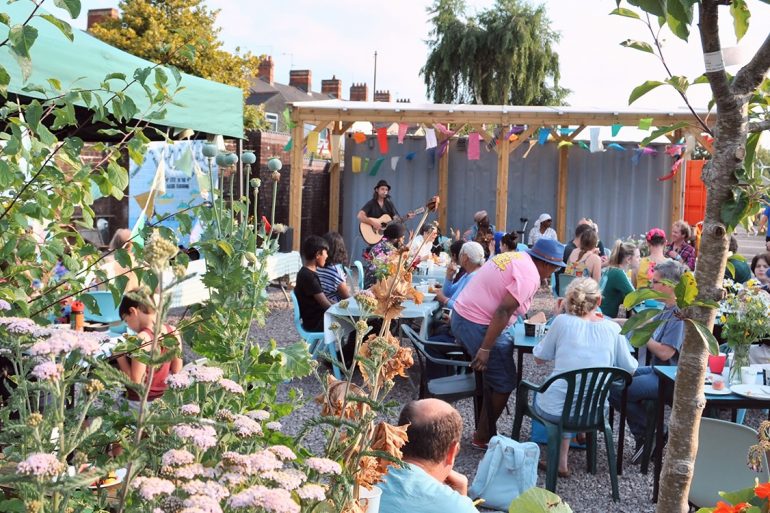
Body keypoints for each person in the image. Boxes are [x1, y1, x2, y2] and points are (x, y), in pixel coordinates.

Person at [451, 238, 566, 448]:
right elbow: (503, 310)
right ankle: (483, 436)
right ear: (547, 264)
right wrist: (485, 348)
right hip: (475, 323)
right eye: (555, 268)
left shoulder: (518, 257)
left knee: (499, 372)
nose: (554, 272)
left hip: (465, 315)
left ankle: (484, 429)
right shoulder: (530, 275)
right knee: (505, 382)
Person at [533, 278, 637, 477]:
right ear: (599, 301)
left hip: (556, 409)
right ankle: (577, 437)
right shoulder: (613, 329)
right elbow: (630, 369)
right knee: (577, 391)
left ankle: (562, 460)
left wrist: (557, 319)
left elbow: (539, 358)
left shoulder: (562, 322)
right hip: (595, 411)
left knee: (559, 392)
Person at [610, 259, 687, 463]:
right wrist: (608, 321)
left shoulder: (679, 314)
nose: (650, 286)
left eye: (655, 282)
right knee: (614, 380)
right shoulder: (666, 307)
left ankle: (651, 432)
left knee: (616, 389)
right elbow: (640, 323)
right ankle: (650, 433)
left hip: (669, 377)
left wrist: (641, 335)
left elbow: (665, 353)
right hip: (657, 371)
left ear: (669, 286)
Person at [378, 399, 477, 513]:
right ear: (452, 452)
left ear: (397, 437)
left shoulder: (361, 476)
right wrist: (460, 501)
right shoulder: (458, 507)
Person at [117, 294, 183, 406]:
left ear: (133, 311)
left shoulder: (141, 339)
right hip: (164, 400)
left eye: (126, 320)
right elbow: (177, 370)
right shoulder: (173, 331)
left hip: (139, 403)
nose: (129, 326)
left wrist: (120, 357)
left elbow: (136, 382)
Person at [295, 235, 332, 332]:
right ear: (318, 254)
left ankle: (348, 347)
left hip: (317, 320)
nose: (327, 256)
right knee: (356, 321)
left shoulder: (307, 273)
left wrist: (340, 305)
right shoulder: (308, 277)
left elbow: (324, 298)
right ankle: (349, 347)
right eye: (326, 253)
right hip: (315, 323)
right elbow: (326, 305)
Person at [435, 242, 485, 310]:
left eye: (461, 254)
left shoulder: (473, 277)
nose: (459, 257)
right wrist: (449, 277)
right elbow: (448, 293)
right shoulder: (467, 274)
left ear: (465, 258)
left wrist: (443, 299)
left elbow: (463, 307)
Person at [600, 240, 639, 318]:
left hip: (600, 314)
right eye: (637, 257)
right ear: (628, 260)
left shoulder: (613, 269)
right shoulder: (618, 273)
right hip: (605, 318)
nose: (640, 259)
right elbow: (636, 297)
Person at [363, 223, 406, 288]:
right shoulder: (391, 250)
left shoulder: (380, 245)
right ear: (397, 239)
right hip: (376, 287)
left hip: (368, 283)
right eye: (403, 238)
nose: (403, 241)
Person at [316, 232, 351, 303]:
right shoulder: (336, 271)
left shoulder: (317, 267)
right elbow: (346, 298)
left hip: (319, 304)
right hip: (333, 308)